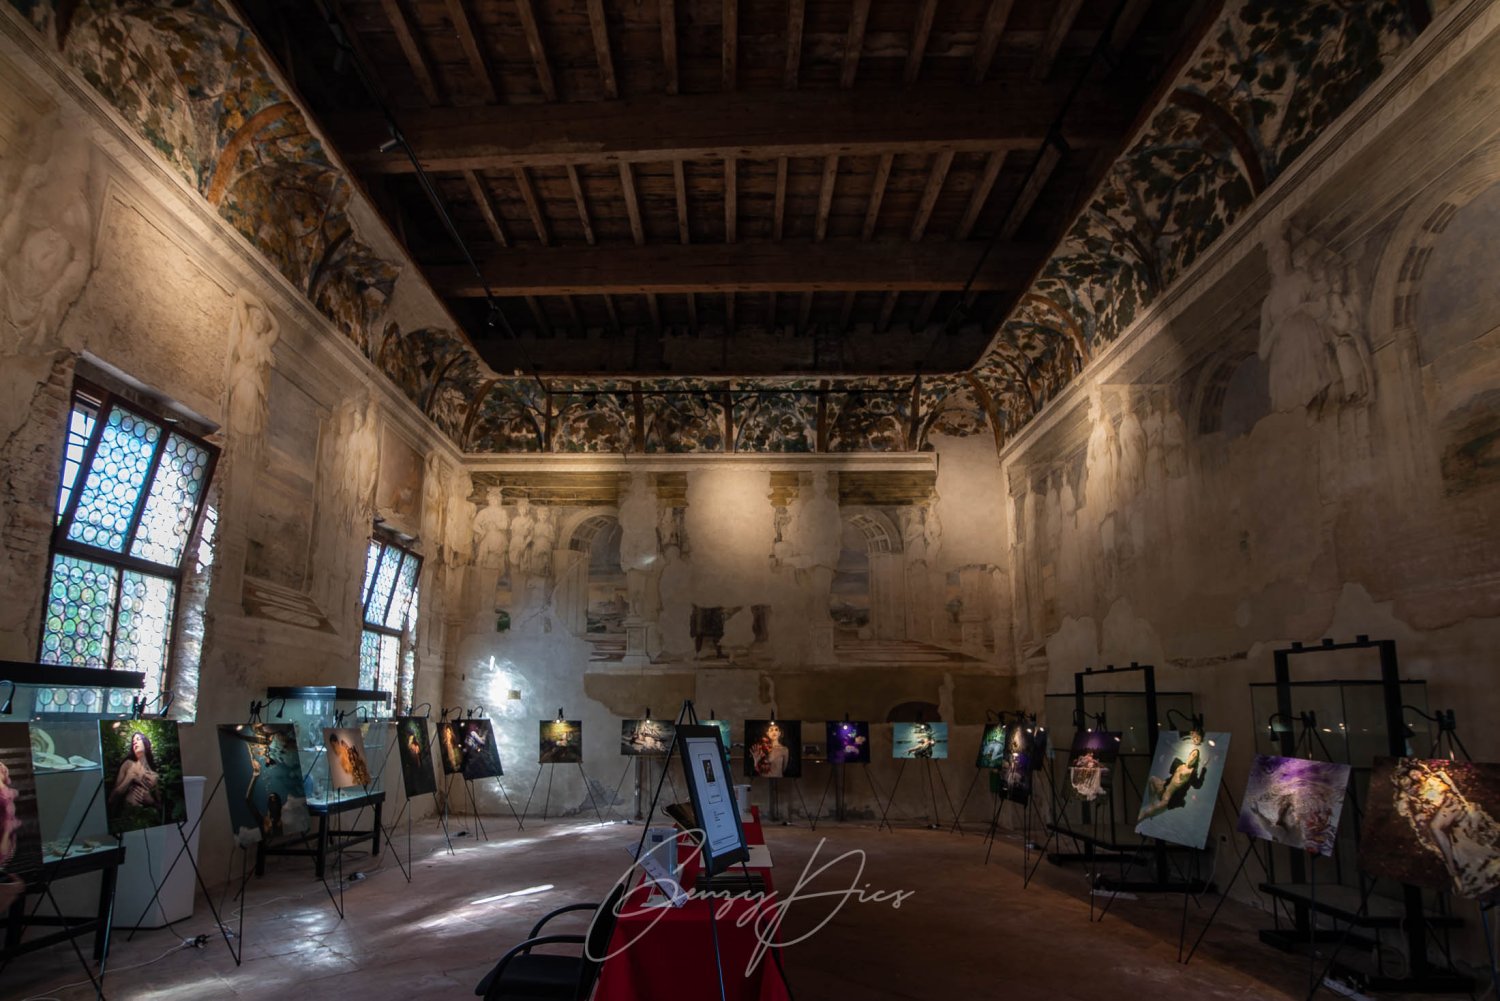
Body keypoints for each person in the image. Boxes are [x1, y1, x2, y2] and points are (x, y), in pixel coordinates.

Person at [1138, 731, 1206, 820]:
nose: (1193, 757)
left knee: (1145, 813)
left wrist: (1203, 770)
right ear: (1189, 754)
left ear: (1196, 761)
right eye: (1193, 754)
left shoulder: (1191, 771)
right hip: (1163, 788)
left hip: (1168, 797)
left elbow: (1198, 785)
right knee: (1152, 779)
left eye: (1195, 757)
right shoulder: (1179, 763)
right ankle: (1151, 803)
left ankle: (1153, 811)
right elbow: (1171, 773)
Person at [109, 731, 162, 813]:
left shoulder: (154, 776)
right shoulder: (128, 764)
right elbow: (111, 799)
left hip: (146, 819)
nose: (135, 742)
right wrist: (129, 778)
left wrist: (151, 801)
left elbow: (161, 808)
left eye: (138, 739)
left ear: (146, 744)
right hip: (125, 817)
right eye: (133, 742)